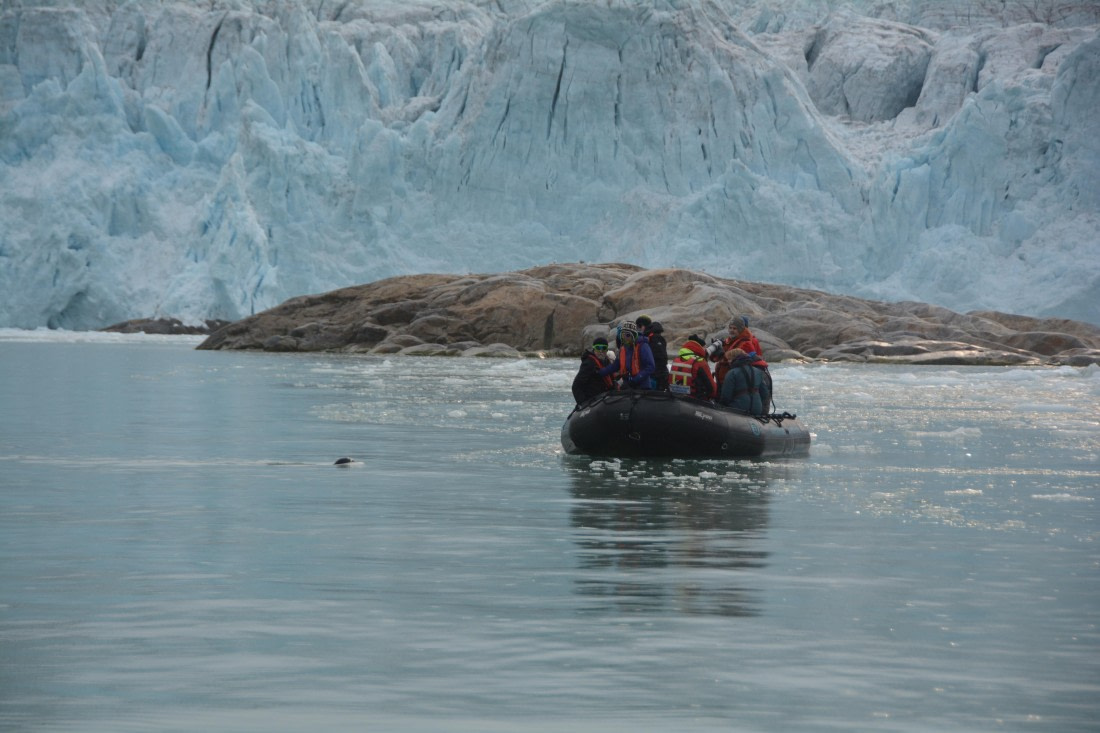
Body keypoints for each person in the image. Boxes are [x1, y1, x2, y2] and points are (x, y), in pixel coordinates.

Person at [712, 315, 772, 410]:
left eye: (734, 328)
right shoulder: (729, 341)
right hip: (727, 380)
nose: (731, 330)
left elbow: (733, 356)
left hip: (737, 382)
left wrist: (722, 355)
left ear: (740, 329)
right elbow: (719, 359)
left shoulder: (746, 343)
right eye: (730, 328)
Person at [599, 320, 655, 390]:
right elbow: (615, 366)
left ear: (634, 335)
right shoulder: (623, 349)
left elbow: (650, 367)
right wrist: (600, 372)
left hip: (642, 386)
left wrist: (635, 379)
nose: (625, 337)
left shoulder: (643, 346)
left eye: (628, 335)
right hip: (628, 385)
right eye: (623, 335)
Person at [718, 348, 769, 415]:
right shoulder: (758, 371)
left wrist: (720, 407)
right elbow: (765, 393)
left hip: (738, 409)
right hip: (757, 409)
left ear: (734, 359)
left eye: (729, 359)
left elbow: (726, 396)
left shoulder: (732, 373)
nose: (728, 362)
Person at [668, 335, 717, 400]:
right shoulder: (700, 362)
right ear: (700, 347)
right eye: (705, 348)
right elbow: (712, 387)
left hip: (675, 397)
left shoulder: (677, 359)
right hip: (695, 400)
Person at [571, 336, 614, 405]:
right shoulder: (589, 363)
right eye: (598, 348)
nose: (601, 351)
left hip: (603, 399)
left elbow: (612, 380)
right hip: (591, 400)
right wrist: (583, 403)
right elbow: (576, 386)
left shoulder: (606, 362)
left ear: (607, 350)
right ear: (594, 349)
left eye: (603, 348)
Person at [635, 315, 668, 391]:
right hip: (651, 374)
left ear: (644, 326)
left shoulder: (655, 338)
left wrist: (653, 374)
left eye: (639, 326)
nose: (638, 329)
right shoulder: (647, 338)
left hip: (655, 376)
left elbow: (661, 358)